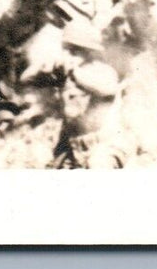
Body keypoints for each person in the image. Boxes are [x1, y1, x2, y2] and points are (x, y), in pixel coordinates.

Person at [50, 18, 131, 169]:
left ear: (88, 52)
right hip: (74, 147)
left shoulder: (102, 71)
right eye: (65, 49)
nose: (67, 54)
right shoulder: (66, 75)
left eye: (74, 50)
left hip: (105, 145)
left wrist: (75, 73)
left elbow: (108, 89)